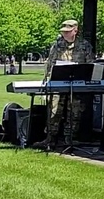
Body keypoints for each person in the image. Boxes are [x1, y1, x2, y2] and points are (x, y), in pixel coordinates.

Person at [34, 19, 95, 149]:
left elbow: (90, 66)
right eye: (63, 32)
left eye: (68, 32)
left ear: (75, 30)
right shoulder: (57, 45)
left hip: (77, 85)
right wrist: (46, 82)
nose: (65, 34)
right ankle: (50, 140)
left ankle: (70, 140)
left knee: (74, 113)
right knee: (53, 112)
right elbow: (50, 64)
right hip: (58, 84)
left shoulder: (85, 46)